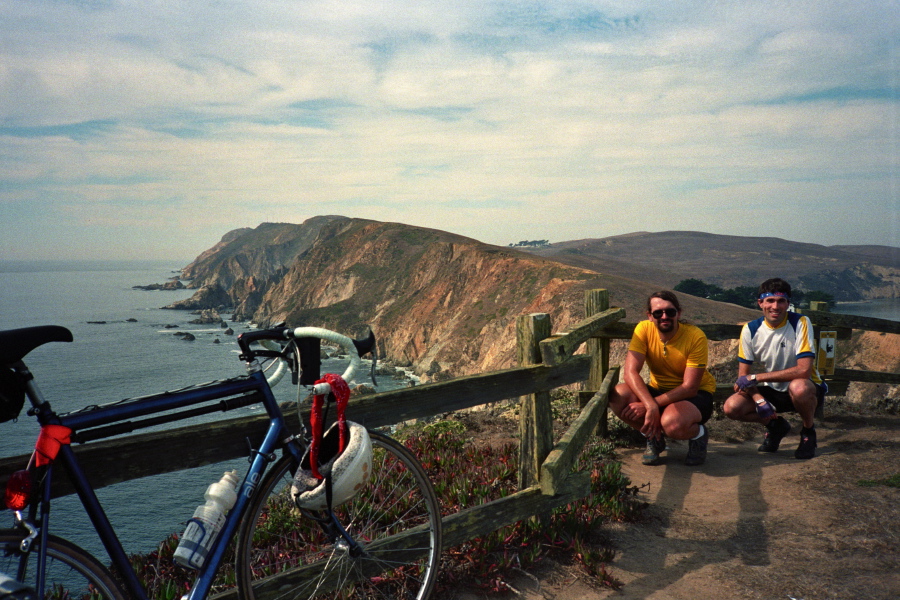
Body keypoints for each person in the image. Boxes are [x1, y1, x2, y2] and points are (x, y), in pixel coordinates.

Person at [608, 290, 717, 466]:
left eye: (670, 311)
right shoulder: (644, 329)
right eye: (658, 313)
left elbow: (690, 387)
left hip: (695, 395)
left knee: (672, 424)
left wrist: (651, 405)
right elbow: (630, 372)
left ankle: (699, 435)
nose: (664, 316)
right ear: (650, 316)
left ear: (678, 313)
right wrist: (650, 405)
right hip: (659, 389)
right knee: (618, 395)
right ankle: (654, 437)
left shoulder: (695, 336)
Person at [723, 278, 826, 460]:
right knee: (732, 407)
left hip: (805, 388)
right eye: (770, 300)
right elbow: (742, 378)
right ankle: (776, 426)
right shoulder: (750, 329)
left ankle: (808, 431)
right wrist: (759, 400)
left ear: (788, 303)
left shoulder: (800, 322)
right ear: (760, 303)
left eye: (781, 301)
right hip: (772, 389)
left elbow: (803, 371)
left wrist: (756, 378)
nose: (775, 307)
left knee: (799, 386)